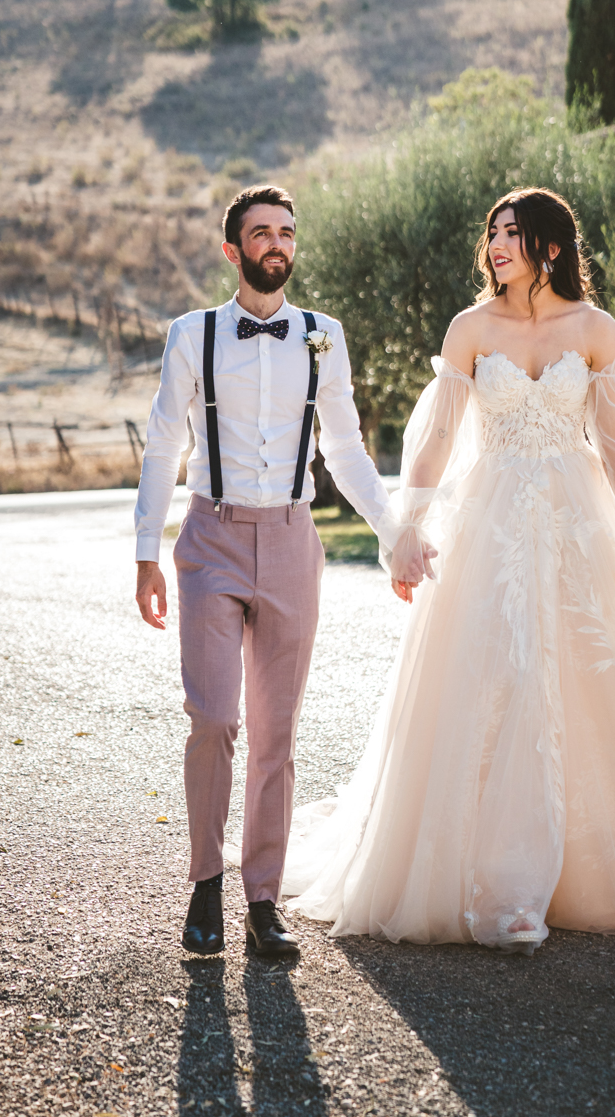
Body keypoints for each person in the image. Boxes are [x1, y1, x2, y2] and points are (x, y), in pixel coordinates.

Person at [282, 187, 615, 952]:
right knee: (497, 677)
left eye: (513, 233)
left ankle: (594, 871)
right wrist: (406, 527)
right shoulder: (469, 329)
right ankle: (499, 883)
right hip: (494, 525)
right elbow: (437, 437)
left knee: (599, 677)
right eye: (493, 233)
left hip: (583, 524)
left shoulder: (595, 328)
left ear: (550, 245)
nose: (497, 246)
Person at [133, 185, 396, 959]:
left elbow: (345, 449)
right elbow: (160, 448)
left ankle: (262, 900)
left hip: (291, 540)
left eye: (286, 232)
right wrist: (146, 550)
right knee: (214, 717)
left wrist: (394, 533)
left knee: (276, 731)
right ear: (233, 251)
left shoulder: (323, 336)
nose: (277, 244)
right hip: (210, 538)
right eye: (262, 234)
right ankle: (205, 883)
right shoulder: (193, 335)